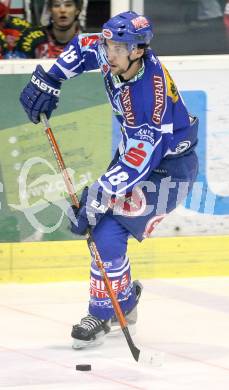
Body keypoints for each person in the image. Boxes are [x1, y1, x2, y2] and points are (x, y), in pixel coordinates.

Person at [20, 11, 199, 349]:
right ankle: (124, 300)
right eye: (109, 44)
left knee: (104, 231)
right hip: (136, 154)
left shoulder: (150, 99)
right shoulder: (115, 54)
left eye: (119, 47)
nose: (109, 52)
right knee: (100, 228)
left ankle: (105, 312)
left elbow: (139, 160)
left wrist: (97, 196)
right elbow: (84, 46)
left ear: (138, 51)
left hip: (167, 170)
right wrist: (50, 78)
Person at [16, 0, 82, 58]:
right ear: (50, 10)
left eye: (68, 5)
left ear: (77, 10)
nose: (62, 10)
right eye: (56, 5)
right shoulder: (30, 38)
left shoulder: (88, 43)